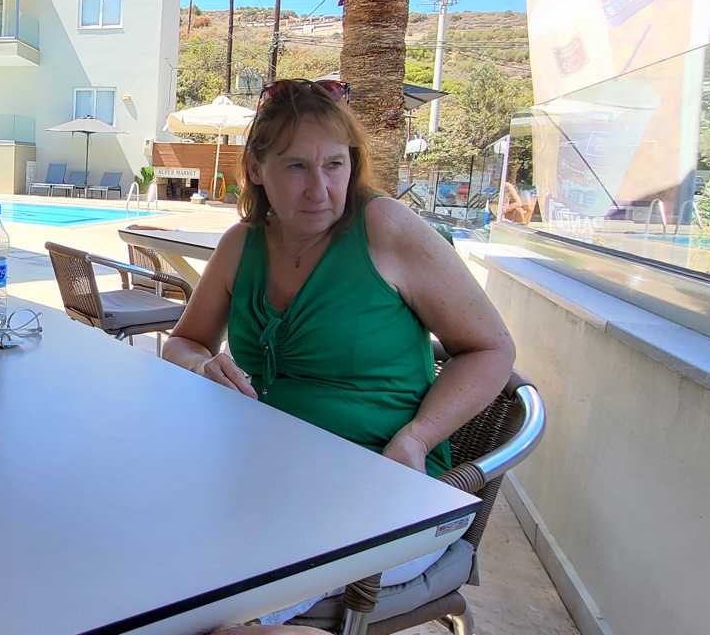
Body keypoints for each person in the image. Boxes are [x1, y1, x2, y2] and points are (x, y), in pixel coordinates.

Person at [160, 78, 515, 629]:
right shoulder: (241, 245)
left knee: (207, 608)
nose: (320, 189)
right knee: (146, 549)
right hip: (263, 476)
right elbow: (184, 342)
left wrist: (417, 438)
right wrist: (202, 366)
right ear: (256, 168)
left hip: (384, 491)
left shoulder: (385, 229)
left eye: (334, 165)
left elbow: (491, 348)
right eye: (296, 166)